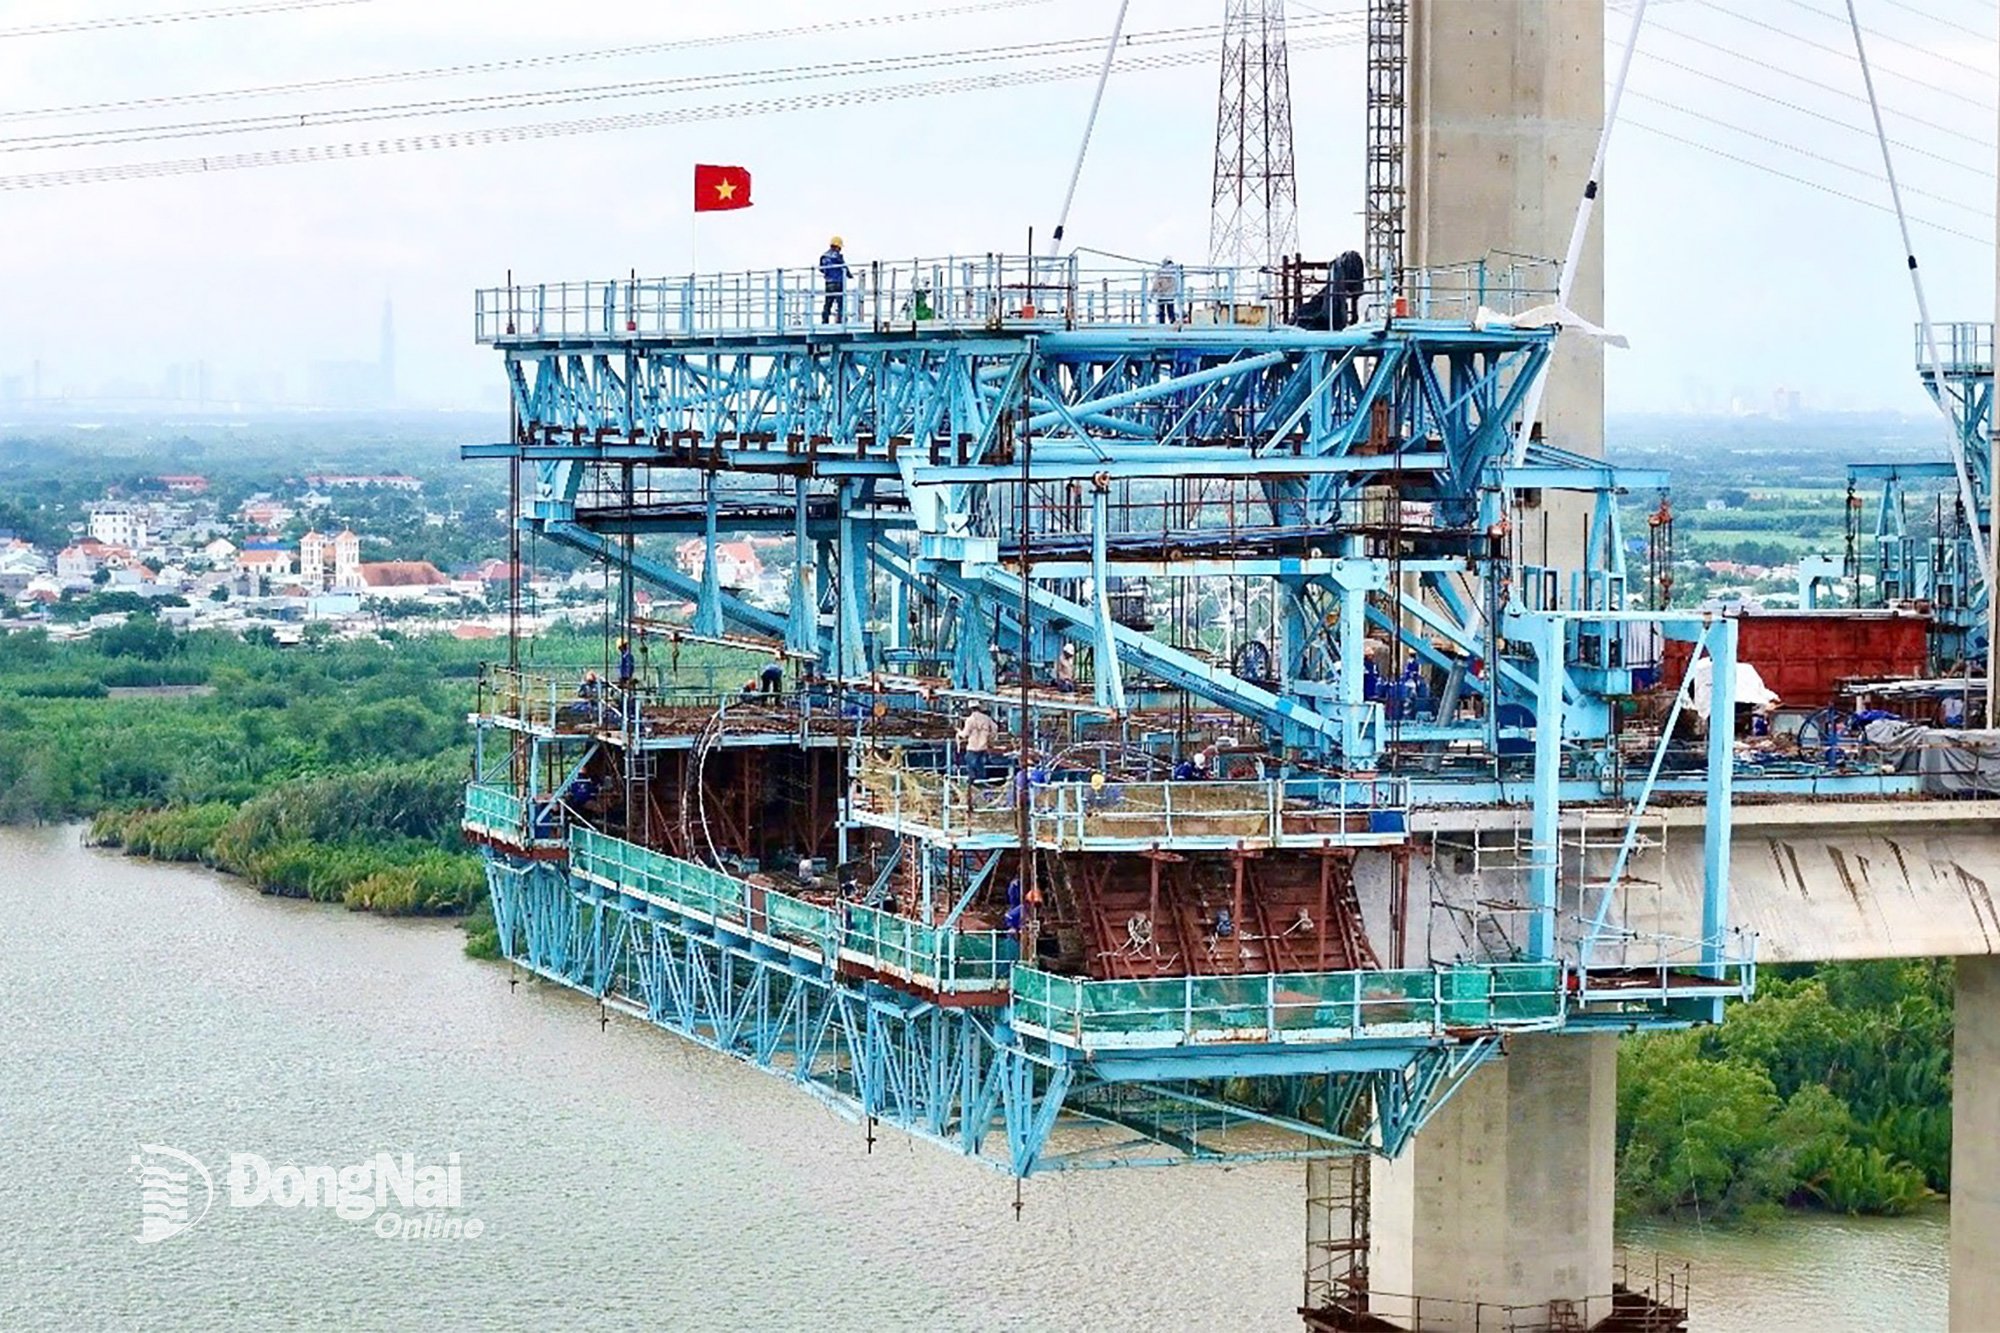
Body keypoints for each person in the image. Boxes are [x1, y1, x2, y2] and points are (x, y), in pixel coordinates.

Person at [956, 702, 997, 782]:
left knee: (970, 761)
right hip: (983, 746)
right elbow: (995, 728)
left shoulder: (970, 720)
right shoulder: (987, 718)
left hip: (973, 746)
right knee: (980, 764)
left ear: (971, 709)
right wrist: (990, 738)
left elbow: (965, 734)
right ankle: (982, 780)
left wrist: (959, 732)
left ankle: (973, 780)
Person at [819, 236, 851, 324]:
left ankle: (824, 321)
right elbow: (844, 267)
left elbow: (821, 269)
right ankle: (841, 320)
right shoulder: (837, 256)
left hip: (828, 283)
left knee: (828, 303)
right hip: (838, 282)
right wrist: (849, 275)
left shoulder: (823, 256)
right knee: (840, 303)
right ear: (838, 246)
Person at [1151, 256, 1182, 324]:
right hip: (1171, 295)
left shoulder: (1160, 271)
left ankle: (1162, 324)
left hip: (1162, 294)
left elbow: (1156, 284)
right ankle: (1172, 322)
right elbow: (1178, 284)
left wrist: (1151, 295)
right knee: (1170, 310)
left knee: (1161, 311)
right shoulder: (1176, 271)